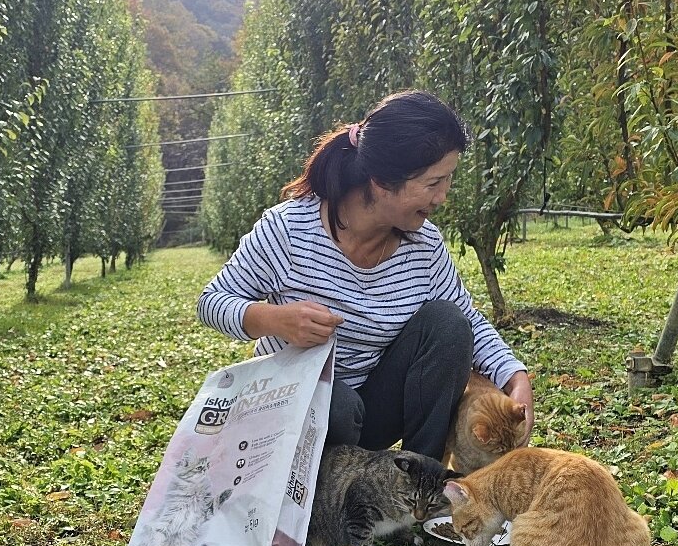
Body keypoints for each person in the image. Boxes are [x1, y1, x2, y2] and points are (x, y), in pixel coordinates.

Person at [197, 89, 533, 459]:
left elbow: (467, 319)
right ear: (382, 182)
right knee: (337, 405)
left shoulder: (424, 245)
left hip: (371, 412)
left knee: (449, 323)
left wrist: (515, 377)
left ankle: (422, 481)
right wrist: (274, 320)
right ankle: (320, 485)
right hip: (299, 409)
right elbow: (212, 302)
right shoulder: (290, 231)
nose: (442, 197)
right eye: (433, 183)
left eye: (447, 180)